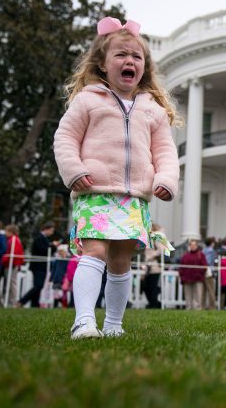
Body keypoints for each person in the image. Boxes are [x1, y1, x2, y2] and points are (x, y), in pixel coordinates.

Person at [53, 17, 179, 338]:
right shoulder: (88, 100)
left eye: (137, 57)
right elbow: (65, 138)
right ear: (103, 64)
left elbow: (165, 151)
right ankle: (84, 321)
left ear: (144, 67)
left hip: (133, 197)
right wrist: (74, 171)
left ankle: (113, 325)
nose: (129, 61)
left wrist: (165, 179)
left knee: (121, 262)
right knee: (94, 252)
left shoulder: (153, 110)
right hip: (93, 189)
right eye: (121, 55)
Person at [0, 224, 25, 307]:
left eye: (7, 231)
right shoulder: (14, 239)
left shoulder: (13, 240)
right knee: (11, 283)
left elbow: (12, 253)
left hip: (12, 264)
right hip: (12, 264)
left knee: (11, 283)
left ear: (11, 232)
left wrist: (3, 260)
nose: (5, 233)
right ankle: (11, 301)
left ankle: (12, 302)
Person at [179, 240, 207, 310]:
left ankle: (197, 308)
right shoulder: (185, 256)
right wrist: (182, 275)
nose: (193, 246)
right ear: (189, 246)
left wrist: (199, 273)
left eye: (194, 245)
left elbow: (204, 266)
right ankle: (188, 307)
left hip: (198, 278)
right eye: (191, 245)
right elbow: (181, 267)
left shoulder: (201, 255)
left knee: (197, 294)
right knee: (188, 294)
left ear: (197, 246)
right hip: (187, 278)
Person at [142, 223, 165, 309]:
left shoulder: (156, 237)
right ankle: (155, 303)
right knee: (146, 286)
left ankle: (153, 304)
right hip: (148, 266)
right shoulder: (148, 238)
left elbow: (161, 250)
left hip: (155, 265)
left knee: (152, 286)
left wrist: (151, 256)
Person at [202, 238, 217, 310]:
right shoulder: (211, 251)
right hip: (209, 272)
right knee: (211, 290)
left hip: (203, 271)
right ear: (211, 243)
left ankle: (203, 306)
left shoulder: (203, 250)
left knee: (203, 291)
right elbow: (209, 261)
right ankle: (212, 306)